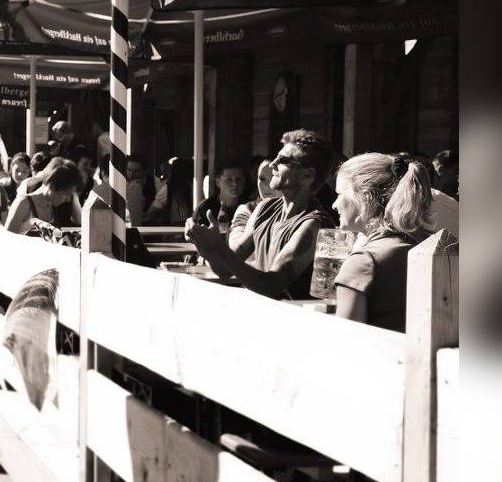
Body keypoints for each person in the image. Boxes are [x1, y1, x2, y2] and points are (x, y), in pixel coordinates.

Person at [186, 129, 336, 299]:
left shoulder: (313, 224)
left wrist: (219, 247)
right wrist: (206, 248)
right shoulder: (265, 208)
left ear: (306, 175)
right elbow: (225, 270)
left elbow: (271, 285)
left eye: (283, 160)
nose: (272, 165)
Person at [332, 153, 434, 331]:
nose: (334, 204)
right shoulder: (428, 245)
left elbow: (347, 340)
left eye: (340, 194)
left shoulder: (364, 262)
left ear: (365, 198)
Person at [4, 158, 83, 234]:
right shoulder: (23, 203)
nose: (68, 199)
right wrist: (30, 224)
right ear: (52, 186)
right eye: (66, 194)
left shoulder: (54, 206)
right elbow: (6, 238)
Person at [229, 155, 277, 246]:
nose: (267, 185)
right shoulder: (248, 209)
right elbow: (235, 247)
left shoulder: (298, 211)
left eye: (274, 177)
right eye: (262, 179)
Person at [192, 159, 247, 232]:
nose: (235, 184)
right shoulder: (205, 208)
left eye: (239, 179)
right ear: (218, 182)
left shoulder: (248, 208)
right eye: (229, 180)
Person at [145, 157, 194, 224]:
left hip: (176, 227)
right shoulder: (194, 187)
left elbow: (152, 213)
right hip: (188, 226)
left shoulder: (168, 189)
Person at [125, 155, 155, 224]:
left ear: (145, 171)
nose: (131, 175)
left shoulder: (156, 184)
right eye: (129, 170)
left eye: (136, 171)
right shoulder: (123, 183)